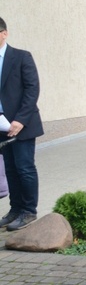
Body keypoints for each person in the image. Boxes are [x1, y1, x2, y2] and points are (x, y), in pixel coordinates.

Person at [0, 17, 44, 232]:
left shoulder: (21, 57)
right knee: (9, 169)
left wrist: (20, 120)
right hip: (1, 126)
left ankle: (28, 211)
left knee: (24, 167)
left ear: (4, 33)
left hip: (22, 124)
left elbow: (32, 90)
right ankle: (15, 209)